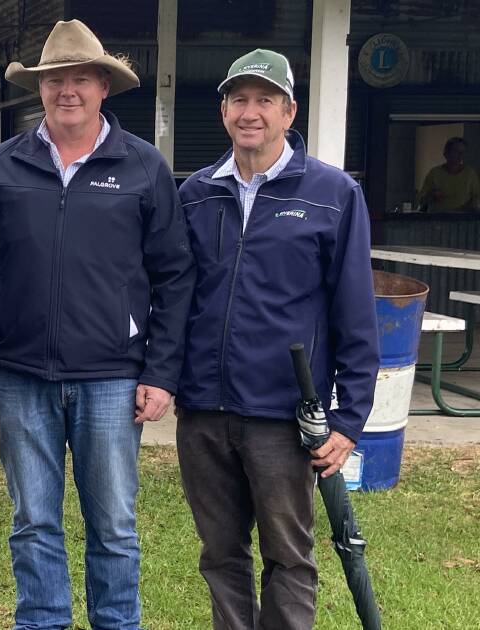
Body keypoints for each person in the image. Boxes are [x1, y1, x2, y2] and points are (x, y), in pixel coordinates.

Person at [0, 19, 194, 630]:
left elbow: (175, 277)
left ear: (103, 88)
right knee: (33, 520)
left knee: (113, 525)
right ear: (39, 90)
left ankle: (116, 623)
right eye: (56, 80)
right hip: (18, 374)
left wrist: (161, 371)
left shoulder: (143, 167)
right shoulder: (3, 167)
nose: (69, 90)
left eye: (81, 80)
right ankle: (42, 622)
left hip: (113, 379)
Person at [176, 49, 380, 629]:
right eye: (239, 99)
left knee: (288, 557)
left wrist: (349, 418)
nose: (250, 112)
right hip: (204, 411)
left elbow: (355, 313)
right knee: (220, 556)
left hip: (282, 415)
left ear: (289, 112)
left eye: (265, 99)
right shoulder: (195, 194)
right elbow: (173, 296)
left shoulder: (332, 194)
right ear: (223, 111)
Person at [417, 136, 480, 212]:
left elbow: (477, 198)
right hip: (438, 219)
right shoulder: (435, 173)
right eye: (456, 151)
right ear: (446, 153)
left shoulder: (470, 174)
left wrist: (468, 208)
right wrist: (431, 195)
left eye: (462, 152)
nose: (460, 155)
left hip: (462, 219)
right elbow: (421, 199)